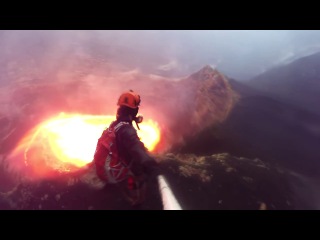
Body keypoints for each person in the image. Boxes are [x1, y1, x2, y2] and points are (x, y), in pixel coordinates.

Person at [93, 90, 159, 206]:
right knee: (140, 173)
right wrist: (149, 163)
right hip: (114, 172)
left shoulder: (116, 125)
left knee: (132, 164)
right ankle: (136, 200)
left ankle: (125, 188)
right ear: (134, 110)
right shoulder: (126, 130)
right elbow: (135, 149)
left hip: (106, 168)